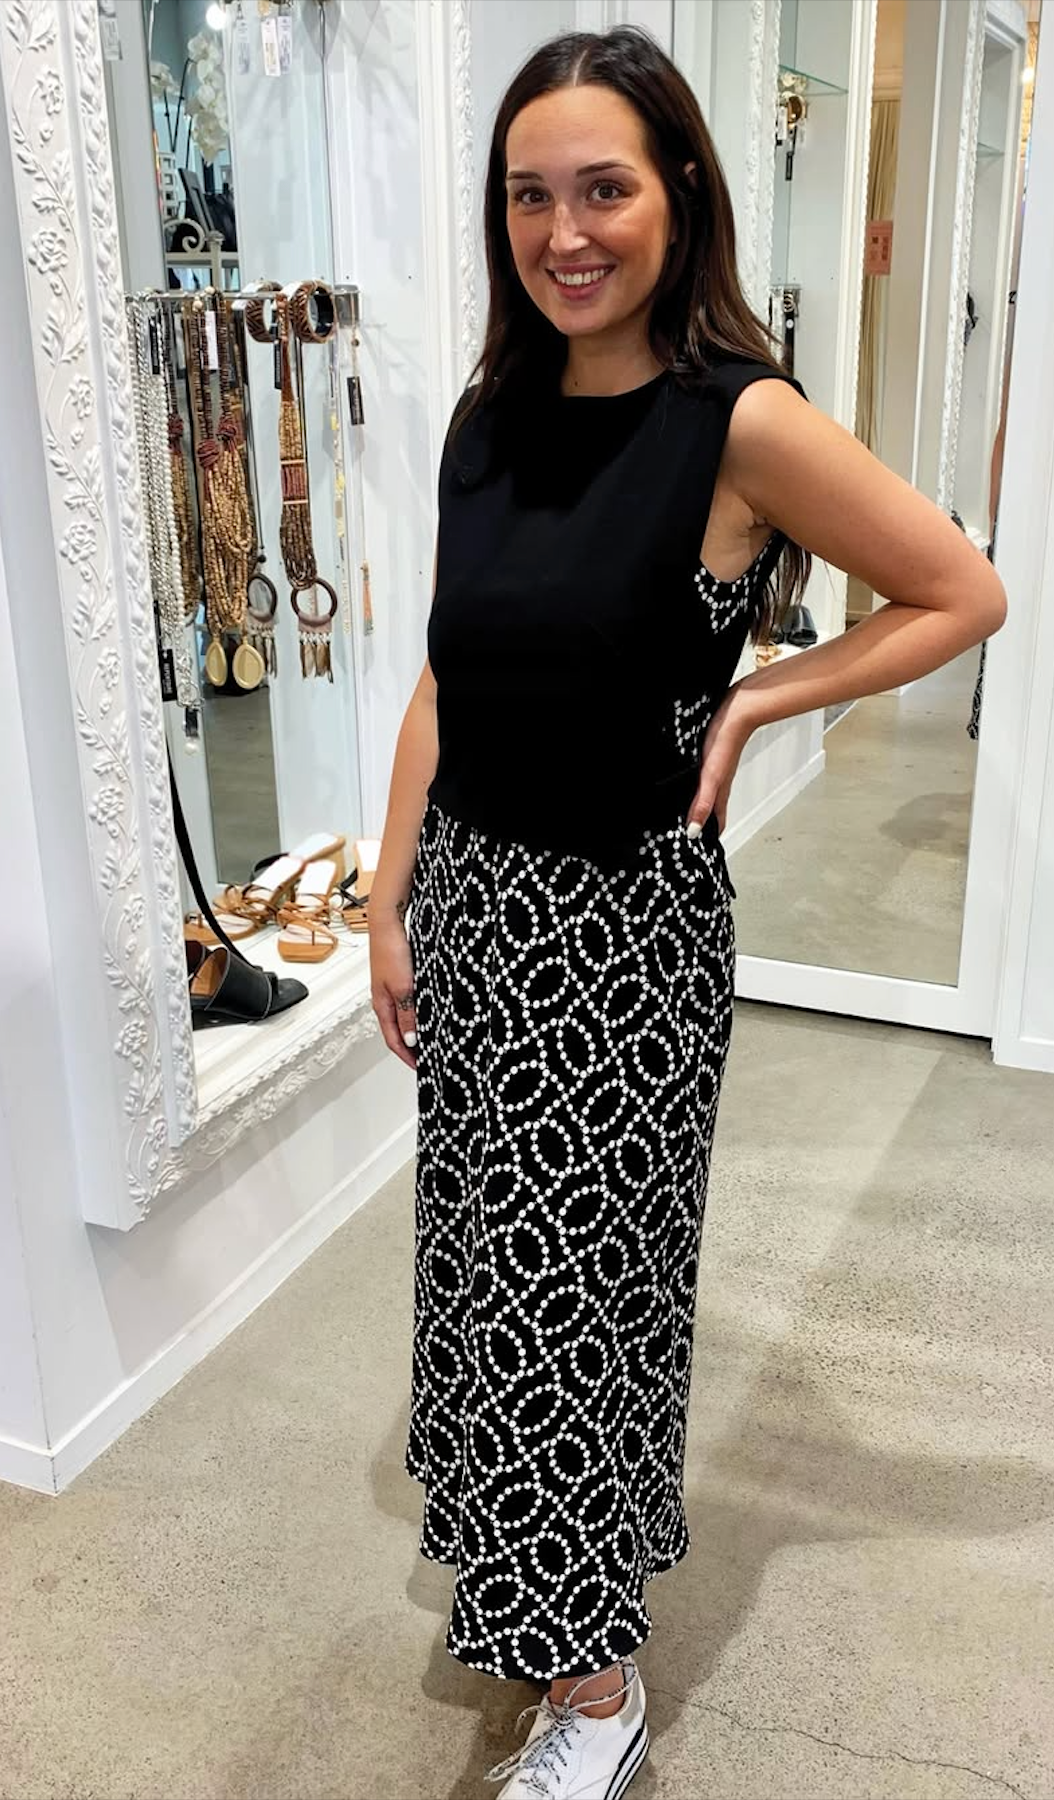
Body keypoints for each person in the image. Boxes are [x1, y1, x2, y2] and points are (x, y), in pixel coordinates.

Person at [366, 26, 1006, 1798]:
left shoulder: (740, 420)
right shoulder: (486, 420)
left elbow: (958, 591)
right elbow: (445, 675)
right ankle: (527, 1587)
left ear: (680, 196)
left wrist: (757, 697)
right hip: (479, 905)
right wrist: (391, 895)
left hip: (621, 943)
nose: (563, 231)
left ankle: (595, 1693)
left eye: (604, 189)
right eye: (529, 195)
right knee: (487, 1282)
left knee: (582, 1311)